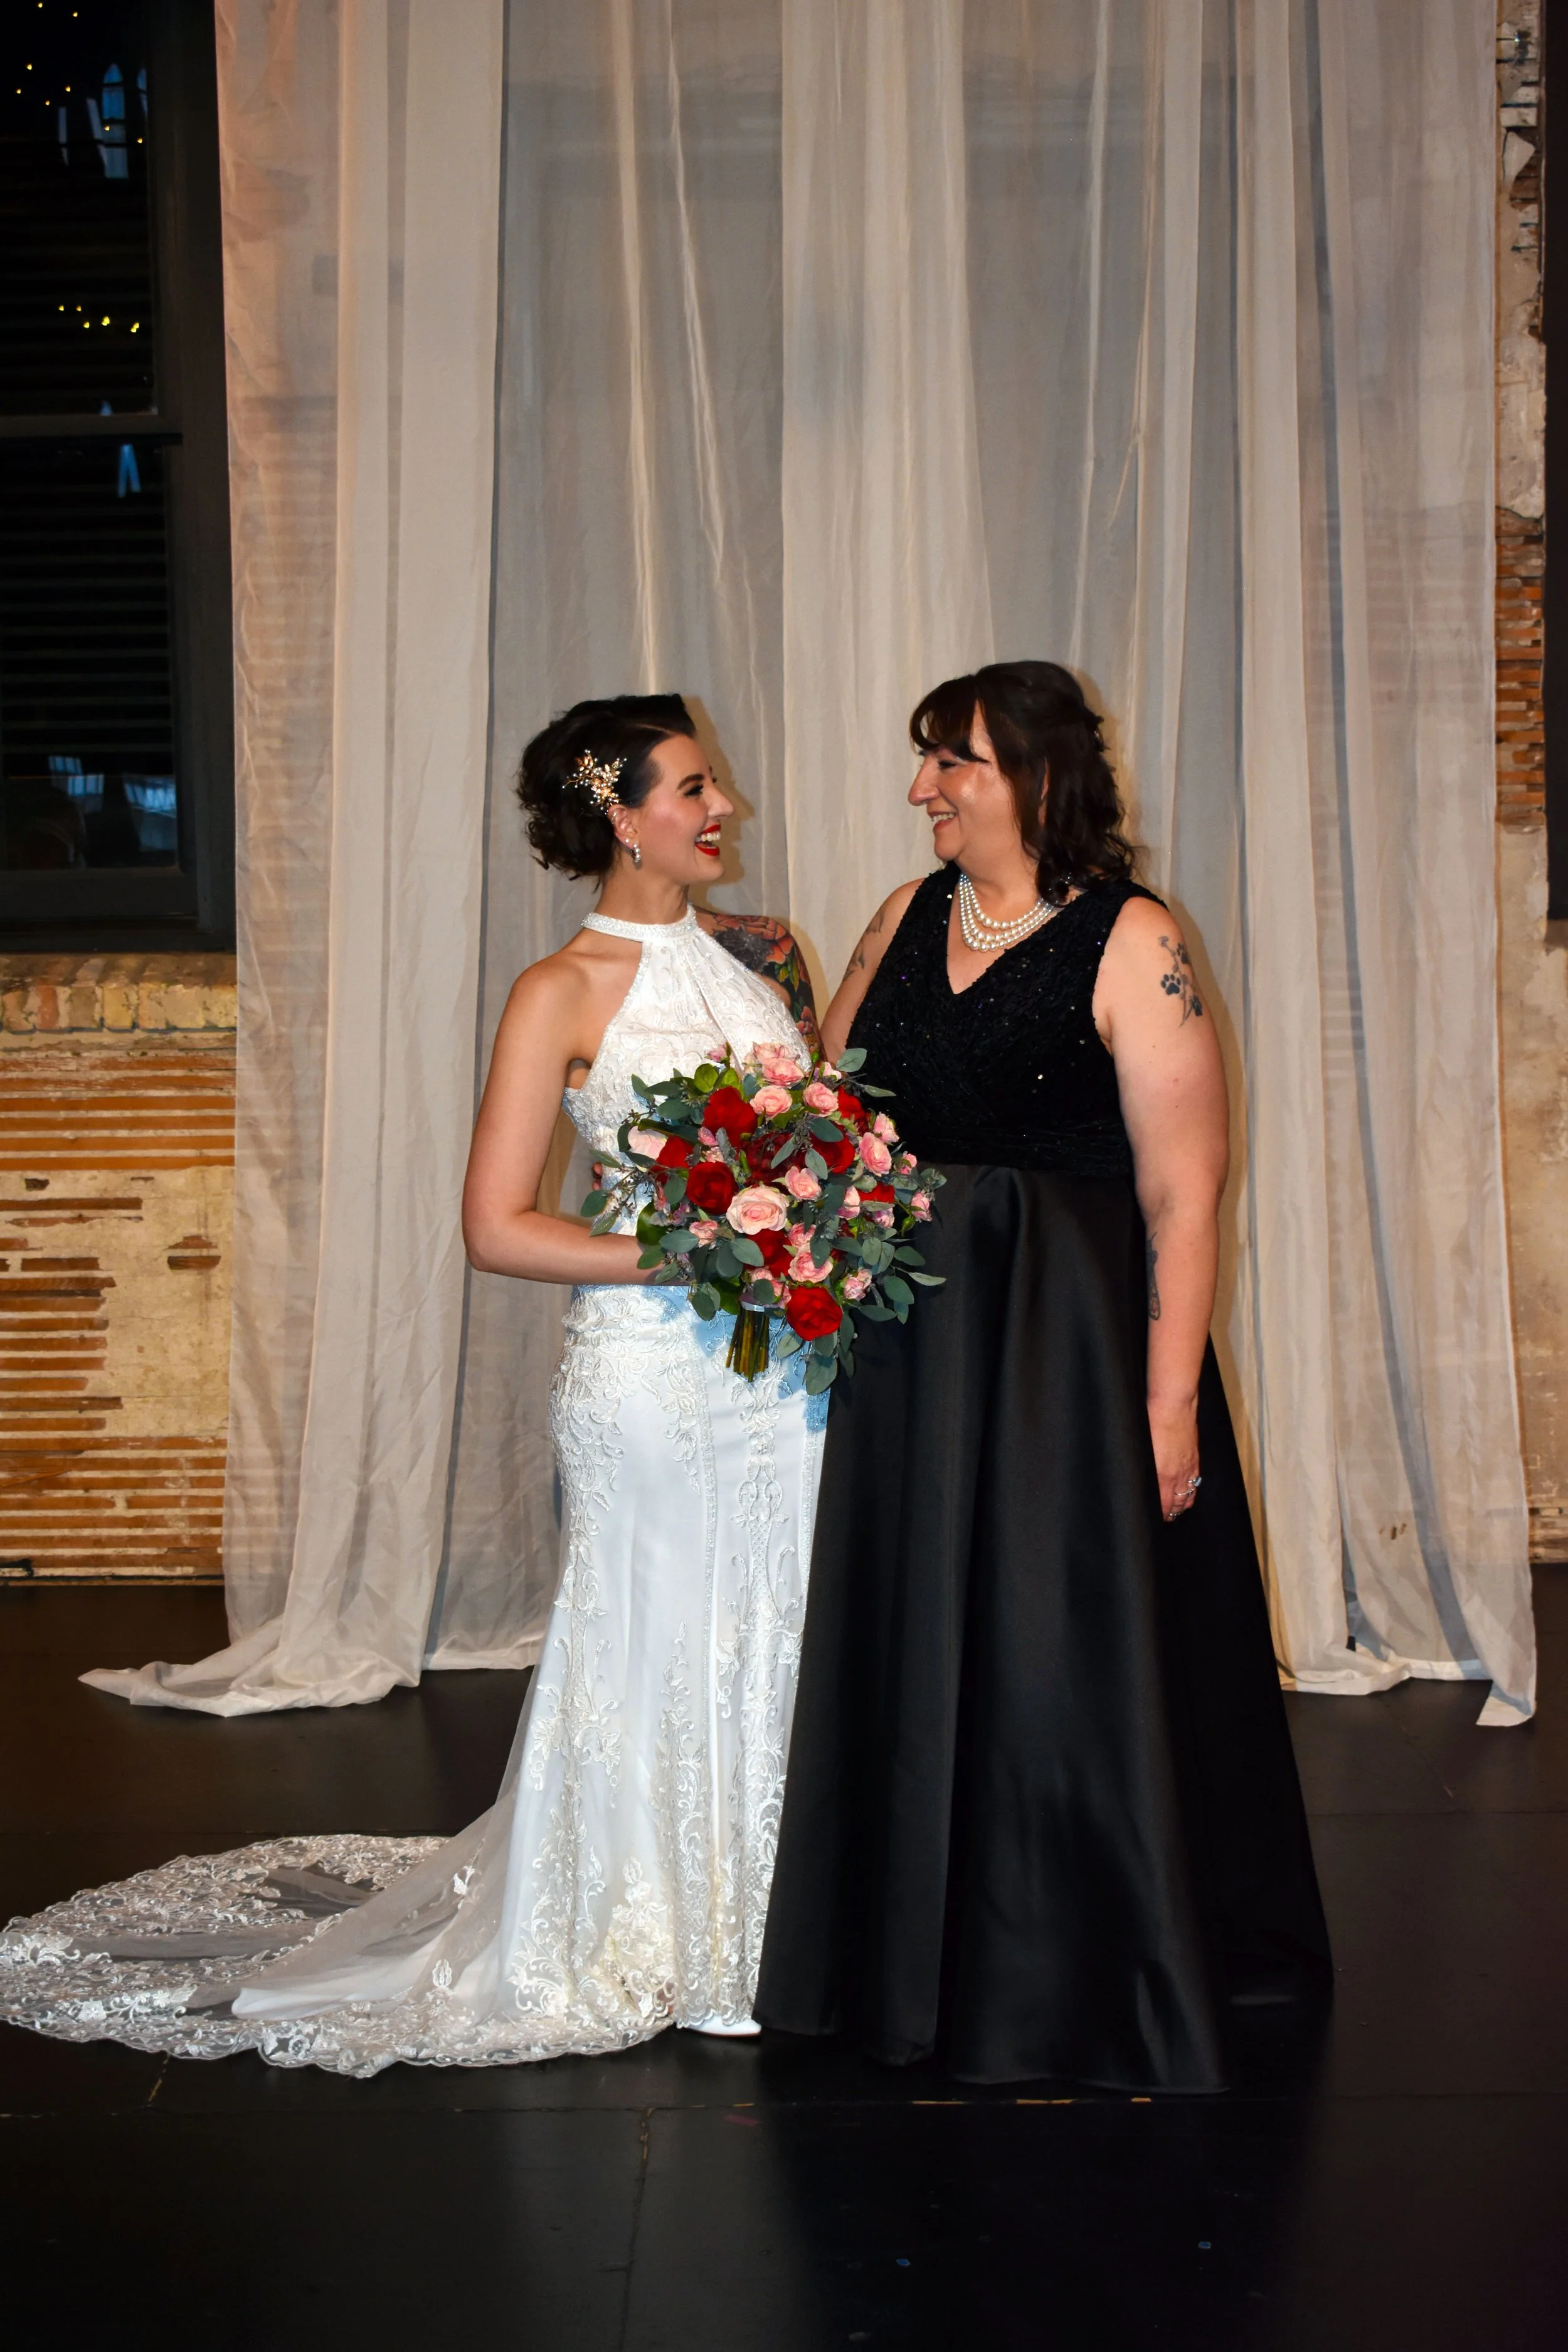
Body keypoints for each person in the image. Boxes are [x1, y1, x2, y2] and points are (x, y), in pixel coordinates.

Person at [0, 694, 825, 2073]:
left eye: (715, 785)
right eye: (691, 787)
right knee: (654, 1633)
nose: (719, 807)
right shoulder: (559, 991)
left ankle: (769, 1916)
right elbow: (499, 1226)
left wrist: (815, 1231)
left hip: (775, 1374)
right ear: (620, 816)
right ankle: (628, 1924)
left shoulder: (760, 965)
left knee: (775, 1623)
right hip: (650, 1374)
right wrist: (686, 1252)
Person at [754, 660, 1330, 2092]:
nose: (920, 789)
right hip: (917, 1347)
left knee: (1062, 1640)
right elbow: (834, 1122)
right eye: (923, 763)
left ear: (1030, 775)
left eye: (947, 763)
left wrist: (1167, 1403)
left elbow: (1183, 1197)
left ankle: (1081, 1955)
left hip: (1069, 1349)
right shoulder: (900, 918)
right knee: (922, 1626)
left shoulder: (1134, 942)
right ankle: (904, 1953)